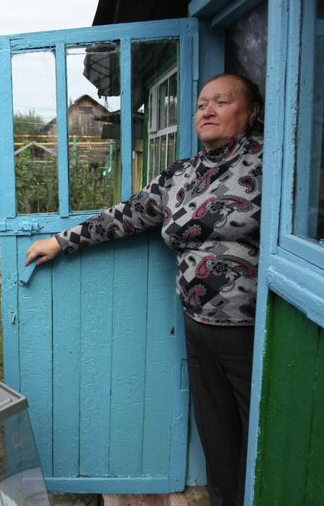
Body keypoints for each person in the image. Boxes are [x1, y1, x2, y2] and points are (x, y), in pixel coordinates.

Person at [25, 73, 263, 506]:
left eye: (222, 102)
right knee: (217, 436)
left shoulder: (269, 165)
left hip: (252, 333)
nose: (206, 110)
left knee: (262, 437)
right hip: (198, 328)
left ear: (251, 113)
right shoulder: (182, 175)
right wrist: (61, 241)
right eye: (201, 103)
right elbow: (126, 215)